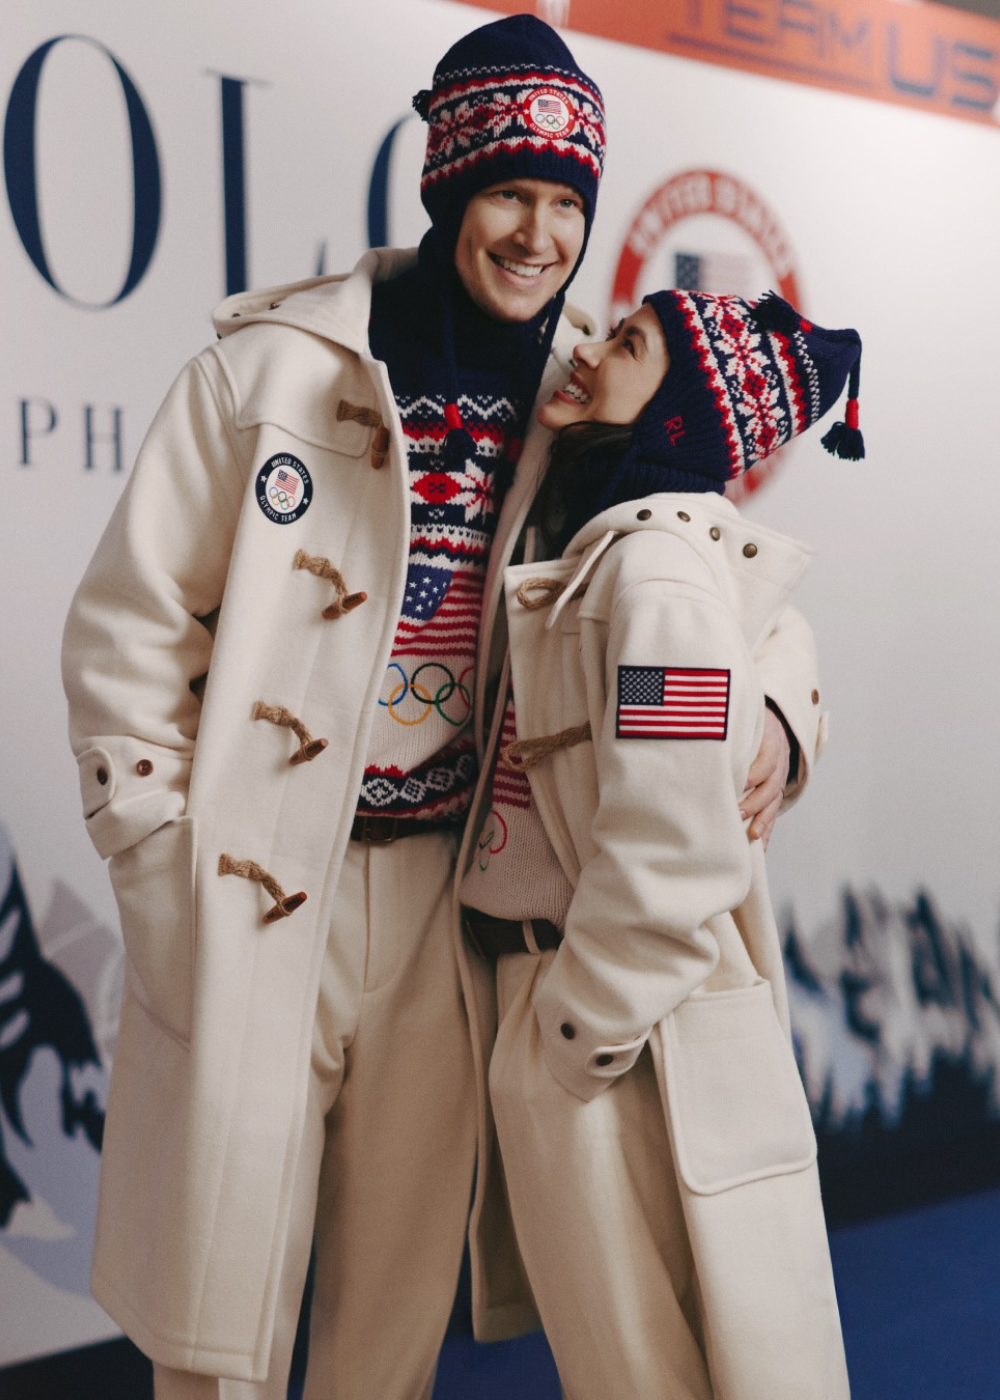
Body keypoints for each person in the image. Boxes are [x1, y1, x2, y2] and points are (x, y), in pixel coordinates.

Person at [61, 15, 819, 1399]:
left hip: (445, 917)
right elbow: (126, 624)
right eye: (511, 193)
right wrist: (161, 866)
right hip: (251, 884)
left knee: (388, 1320)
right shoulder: (271, 372)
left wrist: (774, 715)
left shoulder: (595, 389)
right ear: (447, 187)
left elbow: (727, 582)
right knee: (217, 1319)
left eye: (569, 204)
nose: (540, 234)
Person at [459, 289, 862, 1399]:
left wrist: (569, 1037)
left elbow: (676, 848)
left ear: (676, 418)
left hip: (620, 1036)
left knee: (647, 1371)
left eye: (626, 346)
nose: (586, 352)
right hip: (593, 1017)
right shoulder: (599, 545)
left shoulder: (653, 578)